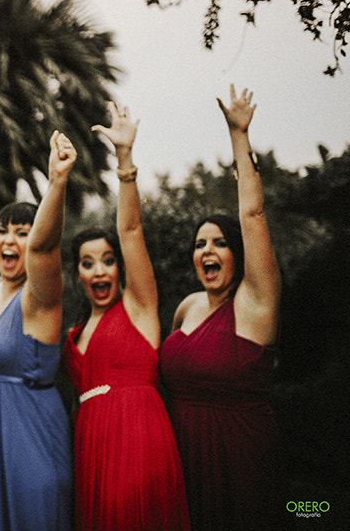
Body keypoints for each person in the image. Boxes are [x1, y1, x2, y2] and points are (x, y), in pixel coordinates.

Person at [159, 85, 285, 530]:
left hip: (241, 457)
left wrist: (238, 135)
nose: (207, 251)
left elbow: (252, 214)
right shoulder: (187, 307)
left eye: (219, 243)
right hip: (183, 456)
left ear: (238, 253)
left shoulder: (257, 302)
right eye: (199, 244)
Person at [62, 102, 190, 530]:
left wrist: (124, 159)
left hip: (139, 440)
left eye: (107, 261)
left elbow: (130, 231)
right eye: (87, 262)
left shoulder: (138, 307)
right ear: (78, 273)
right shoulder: (75, 333)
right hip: (91, 447)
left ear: (120, 268)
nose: (99, 270)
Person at [0, 132, 76, 531]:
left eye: (22, 232)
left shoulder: (39, 297)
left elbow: (45, 250)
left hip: (30, 438)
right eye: (3, 230)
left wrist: (57, 181)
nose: (11, 241)